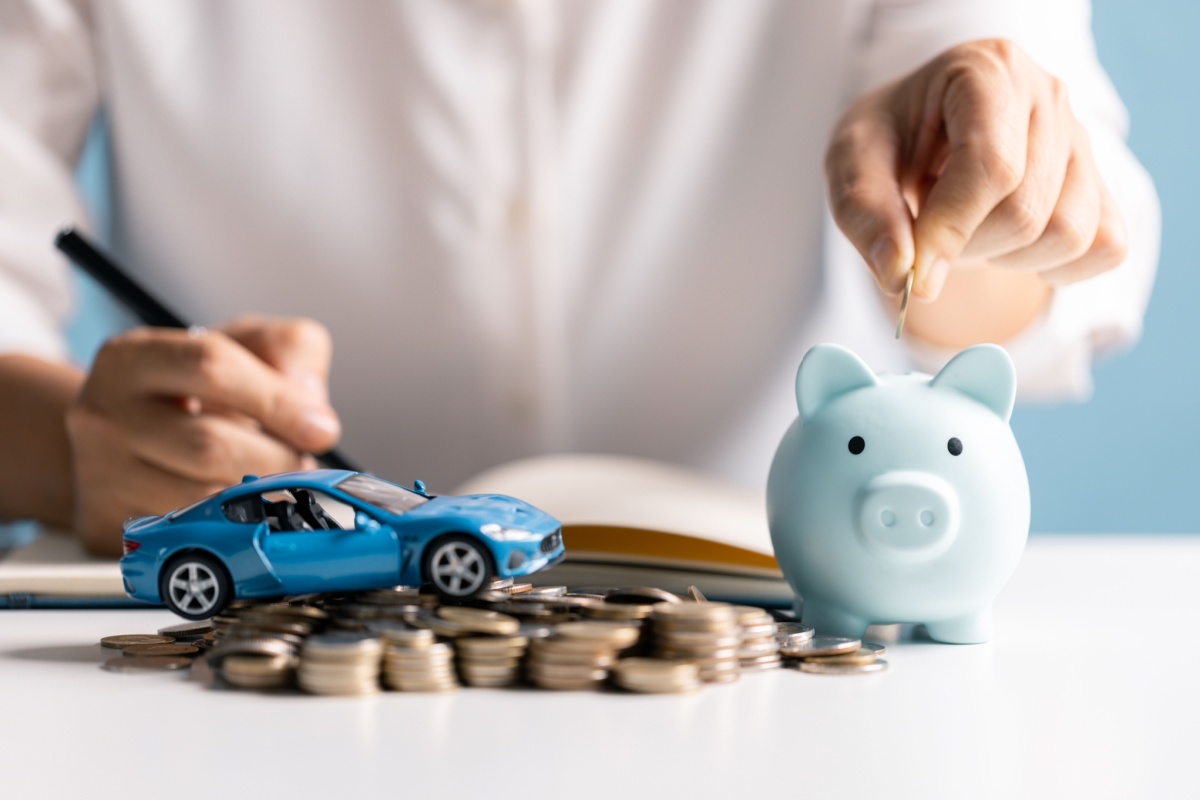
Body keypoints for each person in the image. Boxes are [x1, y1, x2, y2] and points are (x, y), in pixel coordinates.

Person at [0, 0, 1159, 555]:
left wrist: (981, 206)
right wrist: (75, 452)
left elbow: (1046, 272)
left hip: (761, 619)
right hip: (264, 602)